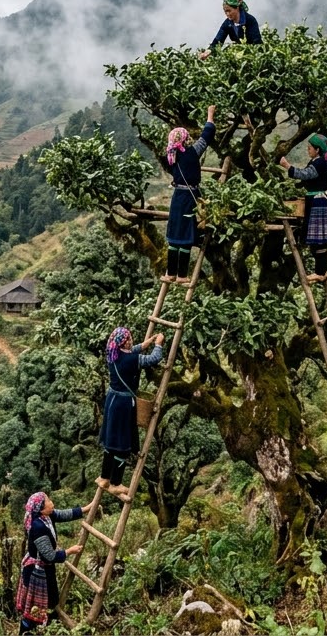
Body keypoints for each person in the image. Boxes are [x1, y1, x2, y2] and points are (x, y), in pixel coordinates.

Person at [15, 491, 98, 633]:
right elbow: (49, 556)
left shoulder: (46, 516)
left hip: (44, 568)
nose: (51, 502)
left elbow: (63, 514)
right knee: (35, 607)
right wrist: (70, 551)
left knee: (50, 601)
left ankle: (46, 628)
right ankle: (26, 632)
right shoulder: (38, 527)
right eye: (48, 500)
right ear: (41, 508)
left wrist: (86, 508)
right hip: (37, 571)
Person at [99, 326, 165, 501]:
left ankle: (104, 477)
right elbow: (154, 359)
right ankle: (115, 483)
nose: (132, 341)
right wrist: (158, 345)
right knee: (122, 444)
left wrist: (146, 343)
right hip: (123, 405)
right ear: (125, 342)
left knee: (110, 443)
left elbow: (130, 352)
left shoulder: (112, 353)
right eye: (130, 339)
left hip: (112, 401)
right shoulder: (130, 360)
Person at [163, 105, 219, 283]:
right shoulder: (193, 153)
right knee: (186, 235)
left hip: (177, 197)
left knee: (174, 236)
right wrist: (210, 114)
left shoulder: (171, 157)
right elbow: (207, 134)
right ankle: (181, 275)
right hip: (190, 197)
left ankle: (170, 273)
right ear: (186, 140)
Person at [280, 134, 327, 282]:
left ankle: (320, 272)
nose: (308, 150)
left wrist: (288, 166)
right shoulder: (318, 161)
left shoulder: (319, 164)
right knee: (318, 238)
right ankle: (322, 270)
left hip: (318, 201)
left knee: (319, 239)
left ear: (317, 150)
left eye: (310, 148)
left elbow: (306, 174)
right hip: (317, 199)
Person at [198, 0, 262, 59]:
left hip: (252, 55)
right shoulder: (227, 23)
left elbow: (257, 42)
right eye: (225, 11)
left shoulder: (250, 20)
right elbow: (218, 40)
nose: (227, 14)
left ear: (237, 8)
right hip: (238, 55)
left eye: (229, 11)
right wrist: (207, 52)